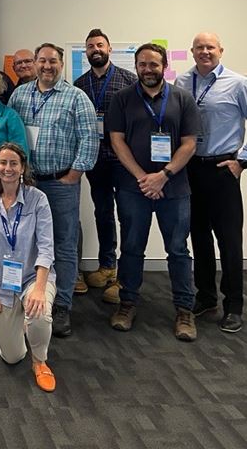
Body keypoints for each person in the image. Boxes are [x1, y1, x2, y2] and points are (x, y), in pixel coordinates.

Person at [107, 43, 201, 341]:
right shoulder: (122, 99)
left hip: (174, 188)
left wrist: (163, 175)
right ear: (136, 67)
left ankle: (184, 311)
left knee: (178, 250)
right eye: (143, 64)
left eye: (154, 64)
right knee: (132, 247)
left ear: (164, 67)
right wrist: (143, 178)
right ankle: (127, 303)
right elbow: (117, 141)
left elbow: (189, 143)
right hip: (133, 188)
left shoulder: (182, 98)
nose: (148, 69)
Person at [8, 43, 98, 337]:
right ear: (34, 63)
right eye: (42, 61)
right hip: (27, 183)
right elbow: (11, 134)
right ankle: (30, 300)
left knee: (63, 244)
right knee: (26, 243)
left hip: (60, 183)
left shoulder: (76, 98)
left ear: (61, 64)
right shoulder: (20, 95)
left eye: (53, 61)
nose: (47, 66)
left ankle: (62, 306)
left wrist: (74, 173)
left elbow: (89, 139)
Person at [175, 32, 247, 333]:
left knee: (229, 241)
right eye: (199, 47)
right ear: (192, 51)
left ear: (220, 50)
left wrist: (241, 161)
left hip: (222, 168)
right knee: (199, 238)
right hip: (191, 169)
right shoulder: (181, 82)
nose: (205, 52)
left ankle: (233, 306)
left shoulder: (238, 82)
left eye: (210, 47)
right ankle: (206, 297)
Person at [0, 143, 57, 392]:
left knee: (40, 314)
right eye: (3, 163)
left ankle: (40, 361)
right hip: (0, 284)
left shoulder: (38, 199)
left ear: (22, 168)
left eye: (13, 164)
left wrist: (40, 289)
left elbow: (46, 248)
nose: (8, 168)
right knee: (12, 356)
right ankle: (16, 327)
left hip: (33, 278)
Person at [73, 29, 137, 300]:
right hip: (95, 160)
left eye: (99, 45)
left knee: (128, 215)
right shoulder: (80, 84)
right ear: (86, 52)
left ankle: (124, 275)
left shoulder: (128, 80)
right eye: (90, 46)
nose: (95, 49)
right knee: (102, 213)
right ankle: (107, 265)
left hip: (123, 161)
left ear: (109, 49)